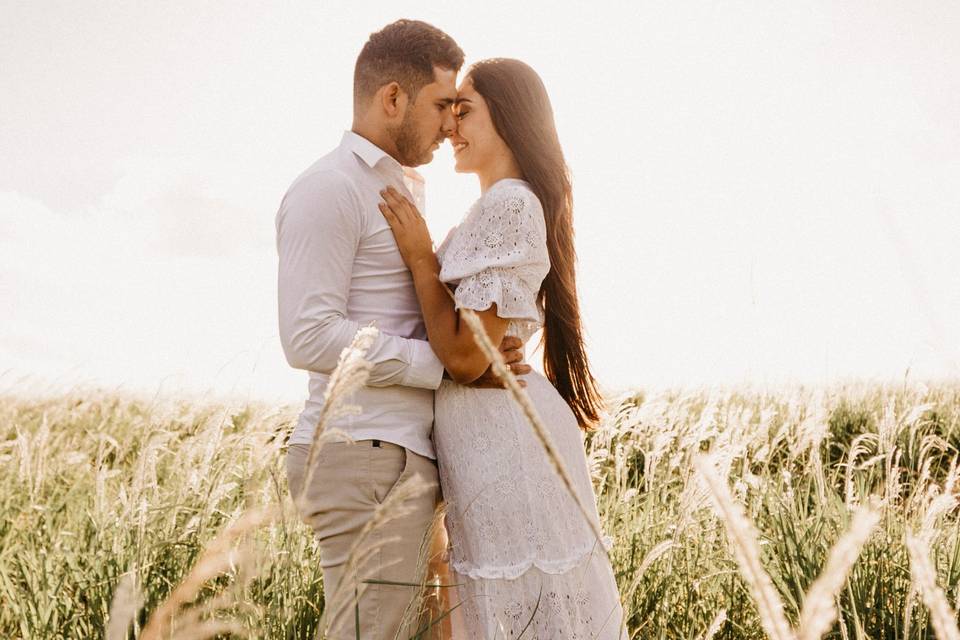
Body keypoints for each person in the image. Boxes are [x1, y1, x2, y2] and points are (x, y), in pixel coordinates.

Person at [277, 21, 530, 640]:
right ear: (393, 98)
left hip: (396, 451)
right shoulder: (330, 188)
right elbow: (307, 337)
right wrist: (443, 365)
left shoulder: (395, 189)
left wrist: (473, 345)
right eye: (442, 104)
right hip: (364, 450)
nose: (451, 123)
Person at [378, 57, 626, 638]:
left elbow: (466, 358)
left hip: (506, 442)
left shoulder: (509, 203)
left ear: (509, 120)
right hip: (490, 437)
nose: (450, 126)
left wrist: (420, 257)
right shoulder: (489, 209)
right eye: (450, 111)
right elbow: (471, 348)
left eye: (465, 111)